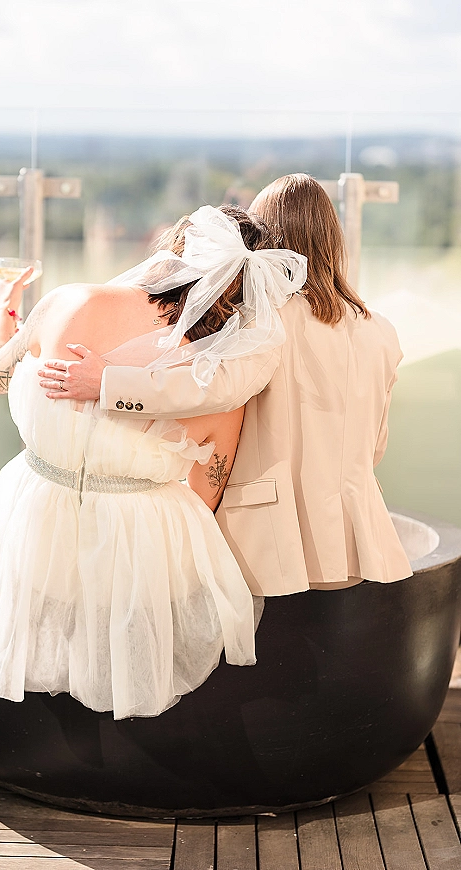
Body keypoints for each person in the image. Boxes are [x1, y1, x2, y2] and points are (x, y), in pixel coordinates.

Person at [0, 205, 307, 720]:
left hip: (36, 518)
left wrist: (6, 305)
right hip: (140, 541)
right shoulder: (217, 377)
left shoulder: (68, 301)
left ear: (171, 252)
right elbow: (208, 484)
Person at [39, 174, 412, 594]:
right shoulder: (380, 330)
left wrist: (107, 383)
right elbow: (376, 443)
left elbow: (211, 389)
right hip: (355, 532)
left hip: (270, 536)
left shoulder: (269, 321)